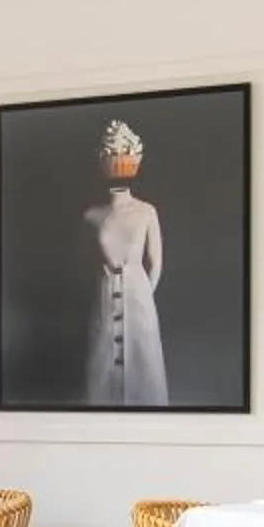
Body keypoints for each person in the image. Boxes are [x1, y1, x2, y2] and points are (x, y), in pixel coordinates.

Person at [82, 119, 169, 405]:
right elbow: (85, 261)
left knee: (143, 366)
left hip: (138, 295)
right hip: (104, 293)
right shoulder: (91, 216)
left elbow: (155, 263)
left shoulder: (146, 212)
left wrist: (142, 294)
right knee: (102, 365)